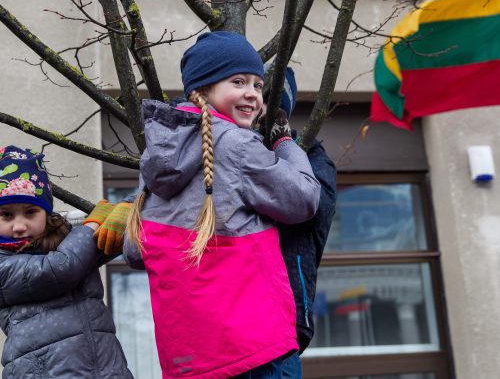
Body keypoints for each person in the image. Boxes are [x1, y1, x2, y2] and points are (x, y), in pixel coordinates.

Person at [123, 31, 321, 378]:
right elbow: (304, 199)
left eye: (258, 86)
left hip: (191, 358)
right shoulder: (235, 144)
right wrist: (284, 140)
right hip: (255, 349)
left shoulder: (157, 152)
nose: (252, 94)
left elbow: (135, 251)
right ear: (202, 89)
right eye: (238, 81)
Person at [0, 145, 133, 379]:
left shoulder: (68, 243)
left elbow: (113, 240)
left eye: (31, 212)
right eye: (6, 215)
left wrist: (129, 206)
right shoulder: (4, 263)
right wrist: (92, 225)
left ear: (46, 212)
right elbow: (58, 270)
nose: (19, 226)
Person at [262, 68, 337, 378]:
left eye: (268, 106)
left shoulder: (312, 155)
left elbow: (314, 208)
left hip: (284, 317)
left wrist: (282, 147)